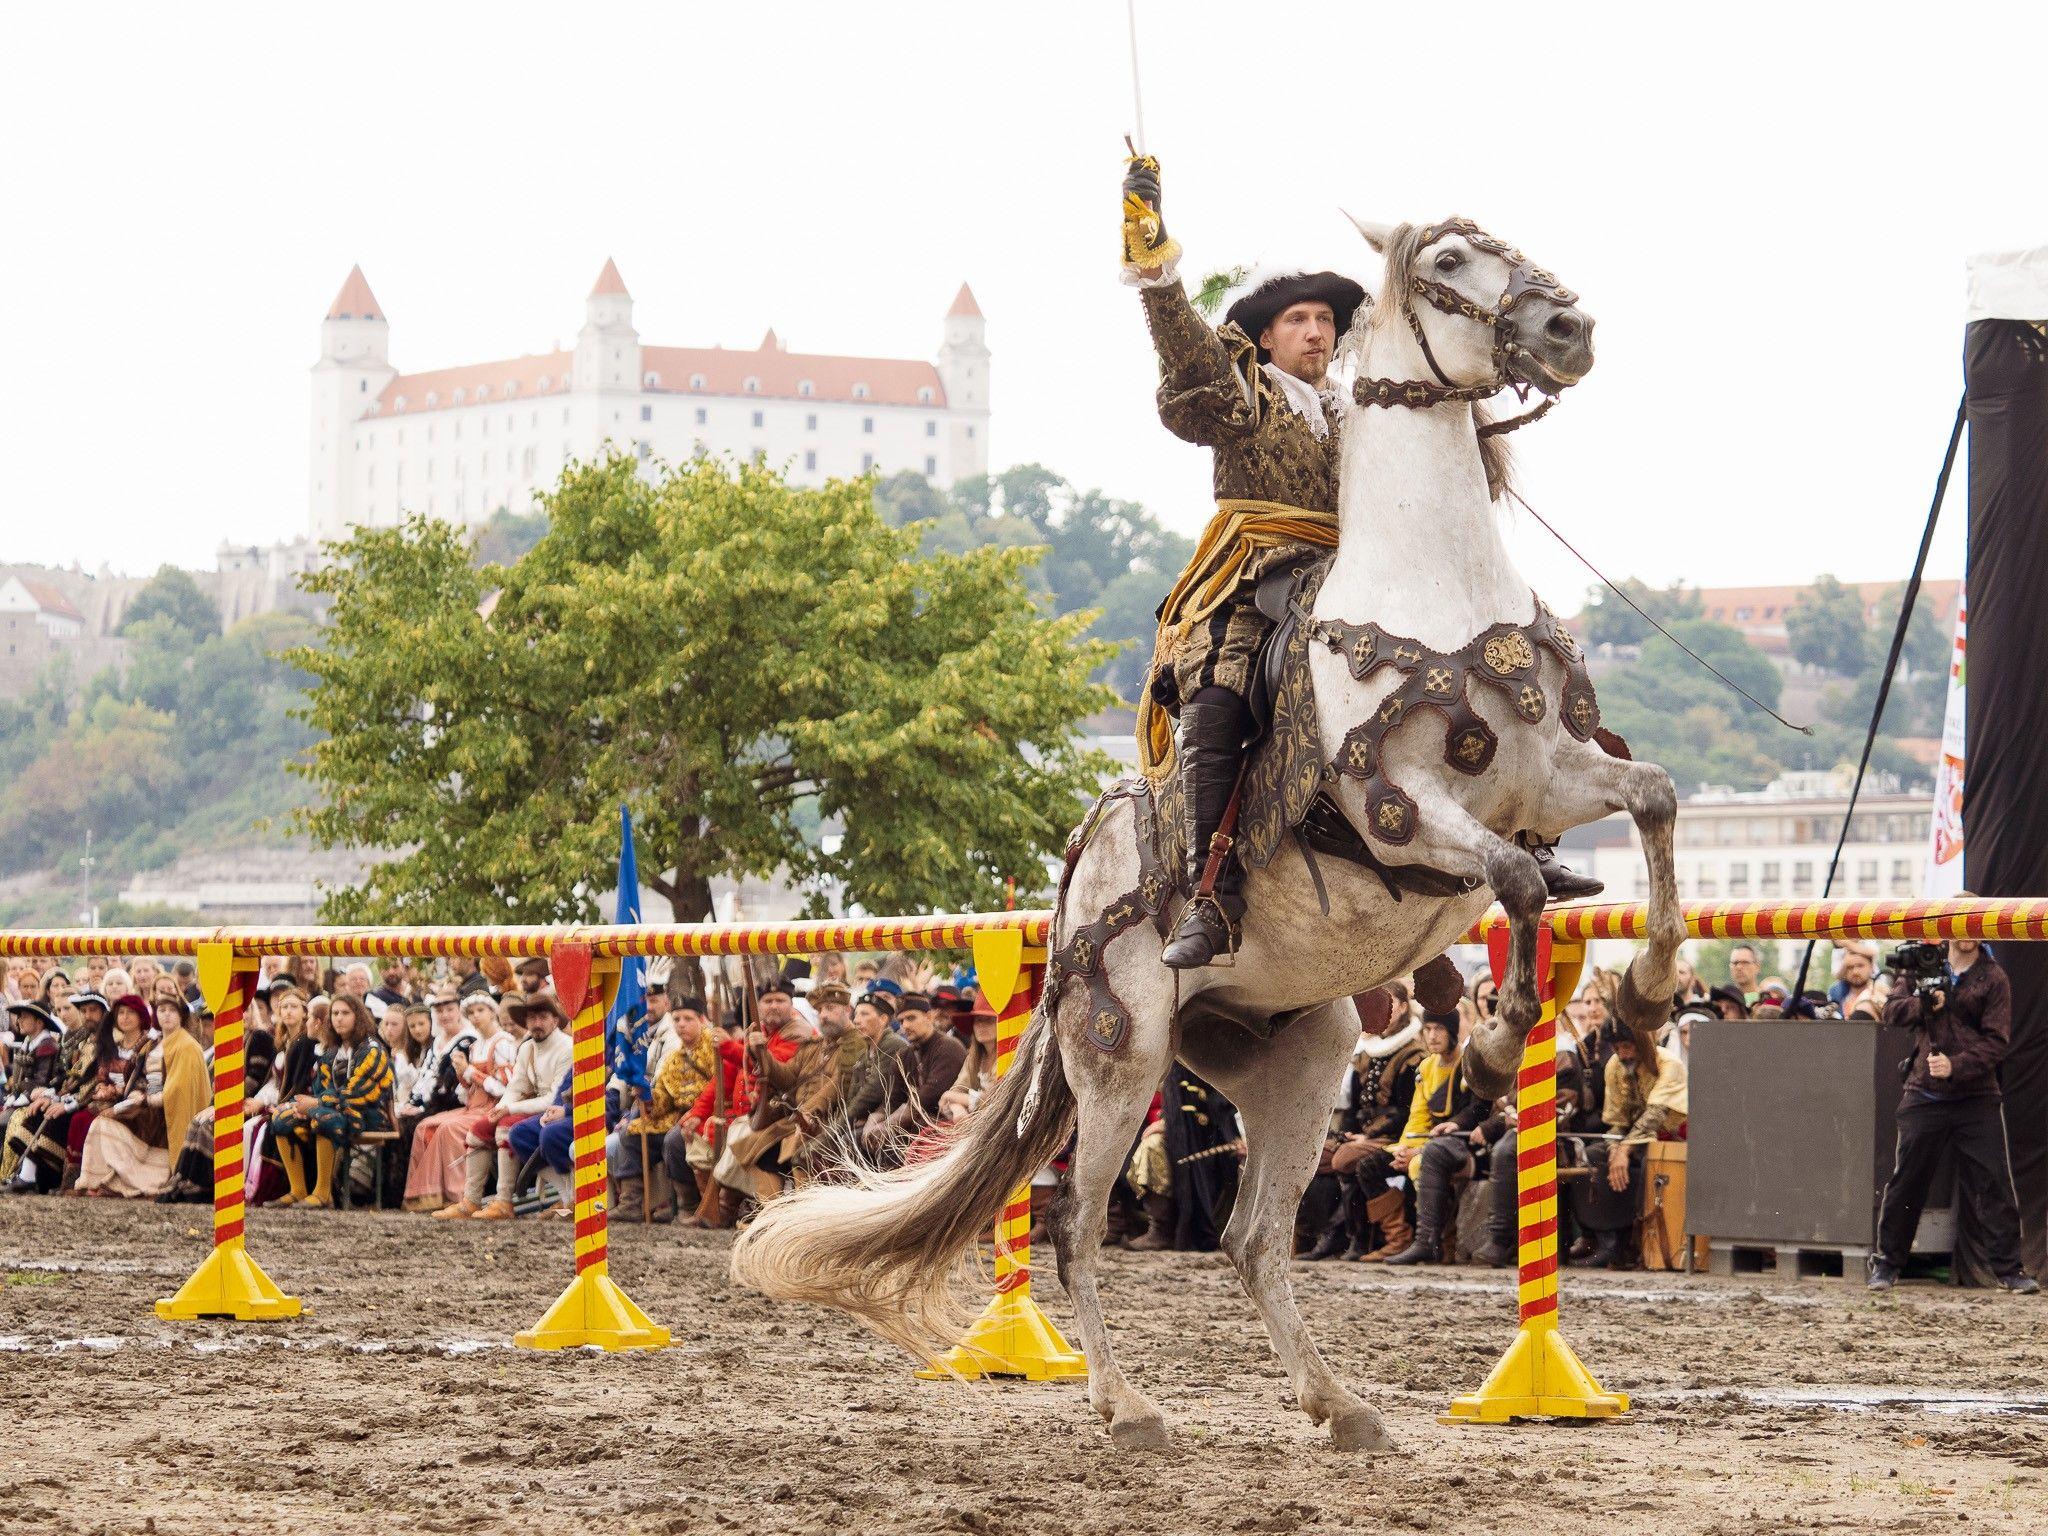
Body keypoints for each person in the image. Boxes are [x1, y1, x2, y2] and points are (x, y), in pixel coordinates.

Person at [1869, 925, 2039, 1294]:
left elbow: (1997, 1042)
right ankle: (1887, 1265)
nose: (1968, 933)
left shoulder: (1994, 977)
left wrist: (1956, 1065)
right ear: (1947, 929)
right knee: (1907, 1181)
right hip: (1924, 1092)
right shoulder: (1919, 963)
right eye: (1962, 925)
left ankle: (2009, 1270)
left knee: (1994, 1182)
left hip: (1976, 1096)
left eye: (1976, 926)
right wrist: (1923, 1005)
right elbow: (1892, 1011)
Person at [1567, 1018, 1688, 1269]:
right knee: (1589, 1158)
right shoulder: (1614, 1065)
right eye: (1617, 1047)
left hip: (1668, 1140)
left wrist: (1624, 1150)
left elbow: (1656, 1115)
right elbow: (1616, 1121)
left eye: (1627, 1046)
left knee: (1650, 1166)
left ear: (1641, 1044)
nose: (1622, 1054)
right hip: (1630, 1140)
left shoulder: (1669, 1064)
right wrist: (1615, 1150)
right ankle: (1606, 1240)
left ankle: (1640, 1242)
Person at [448, 988, 573, 1221]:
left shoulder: (567, 1047)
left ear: (555, 1020)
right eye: (532, 1018)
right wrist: (500, 1108)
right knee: (478, 1130)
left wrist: (509, 1109)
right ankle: (471, 1201)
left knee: (507, 1127)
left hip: (556, 1111)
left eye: (543, 1017)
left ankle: (504, 1201)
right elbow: (516, 1086)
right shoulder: (527, 1047)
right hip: (531, 1108)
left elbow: (553, 1098)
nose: (537, 1023)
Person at [1382, 1006, 1486, 1265]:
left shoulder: (1471, 1063)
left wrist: (1449, 1128)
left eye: (1439, 1028)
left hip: (1466, 1143)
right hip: (1431, 1142)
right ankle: (1389, 1240)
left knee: (1425, 1159)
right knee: (1372, 1164)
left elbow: (1479, 1109)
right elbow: (1418, 1116)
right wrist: (1406, 1147)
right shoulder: (1426, 1067)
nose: (1432, 1036)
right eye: (1427, 1029)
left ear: (1452, 1031)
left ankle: (1430, 1242)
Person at [76, 994, 207, 1199]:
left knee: (110, 1120)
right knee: (101, 1122)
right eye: (162, 1010)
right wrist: (136, 1093)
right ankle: (107, 1180)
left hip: (167, 1112)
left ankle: (146, 1182)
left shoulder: (187, 1046)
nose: (166, 1015)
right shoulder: (153, 1044)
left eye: (172, 1010)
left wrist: (141, 1101)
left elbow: (177, 1089)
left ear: (181, 1015)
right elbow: (139, 1077)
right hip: (146, 1105)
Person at [269, 993, 393, 1209]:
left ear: (358, 1016)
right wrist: (304, 1107)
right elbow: (321, 1089)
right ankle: (298, 1190)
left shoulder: (373, 1049)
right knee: (282, 1117)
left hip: (369, 1114)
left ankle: (323, 1193)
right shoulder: (331, 1052)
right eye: (335, 1013)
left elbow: (357, 1093)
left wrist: (316, 1105)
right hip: (334, 1109)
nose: (339, 1018)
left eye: (345, 1013)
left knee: (323, 1117)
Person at [411, 993, 510, 1212]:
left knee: (449, 1129)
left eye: (480, 1011)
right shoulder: (476, 1046)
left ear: (492, 1012)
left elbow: (504, 1088)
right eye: (471, 1013)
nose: (475, 1017)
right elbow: (467, 1092)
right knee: (424, 1126)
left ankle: (459, 1195)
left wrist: (471, 1072)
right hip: (473, 1106)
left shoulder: (502, 1043)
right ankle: (429, 1197)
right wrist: (461, 1074)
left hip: (495, 1107)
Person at [1, 989, 105, 1193]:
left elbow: (92, 1081)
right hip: (70, 1095)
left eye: (92, 1010)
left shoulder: (105, 1042)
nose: (87, 1015)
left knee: (50, 1116)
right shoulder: (82, 1040)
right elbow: (65, 1077)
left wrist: (65, 1102)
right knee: (36, 1112)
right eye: (84, 1011)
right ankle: (26, 1177)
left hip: (93, 1099)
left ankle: (46, 1179)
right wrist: (53, 1095)